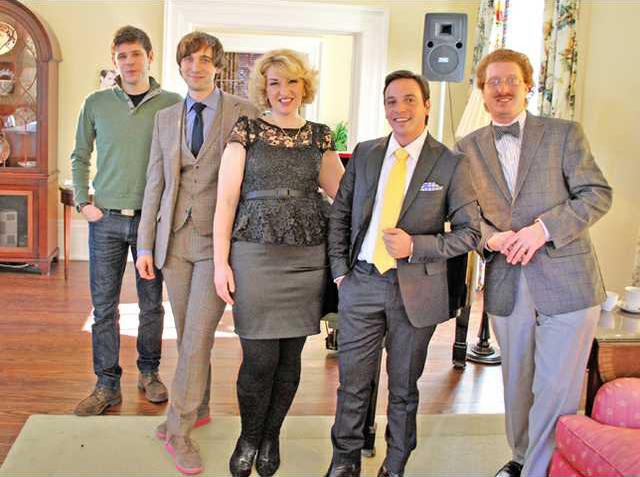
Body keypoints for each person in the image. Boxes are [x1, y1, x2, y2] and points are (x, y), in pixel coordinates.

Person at [456, 49, 612, 477]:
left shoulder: (564, 134)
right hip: (507, 282)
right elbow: (465, 216)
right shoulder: (465, 148)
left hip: (569, 280)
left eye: (511, 80)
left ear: (528, 85)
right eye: (493, 82)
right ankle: (523, 456)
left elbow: (596, 194)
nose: (503, 88)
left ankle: (537, 471)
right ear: (482, 91)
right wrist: (492, 237)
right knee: (517, 384)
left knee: (556, 387)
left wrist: (543, 229)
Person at [325, 70, 480, 477]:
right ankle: (344, 461)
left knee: (403, 388)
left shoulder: (450, 163)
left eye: (410, 99)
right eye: (391, 101)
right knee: (352, 384)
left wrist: (416, 246)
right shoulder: (365, 153)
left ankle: (395, 464)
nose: (400, 109)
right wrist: (341, 273)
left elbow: (471, 233)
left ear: (426, 105)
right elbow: (340, 215)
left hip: (415, 292)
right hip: (361, 282)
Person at [213, 49, 344, 477]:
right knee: (259, 359)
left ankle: (271, 436)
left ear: (304, 86)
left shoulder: (320, 137)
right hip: (254, 256)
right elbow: (226, 201)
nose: (284, 91)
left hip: (307, 258)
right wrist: (220, 263)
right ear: (263, 89)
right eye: (274, 83)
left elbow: (344, 198)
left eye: (292, 82)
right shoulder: (247, 130)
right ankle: (248, 437)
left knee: (290, 360)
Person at [135, 32, 257, 475]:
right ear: (179, 65)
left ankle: (179, 429)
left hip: (217, 244)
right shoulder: (166, 118)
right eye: (188, 59)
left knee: (199, 336)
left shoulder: (244, 112)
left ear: (217, 66)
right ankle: (199, 407)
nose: (196, 67)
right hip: (174, 243)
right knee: (188, 334)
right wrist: (145, 243)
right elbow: (155, 183)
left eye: (205, 60)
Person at [71, 25, 181, 417]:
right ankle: (106, 384)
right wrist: (83, 202)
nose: (129, 62)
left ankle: (149, 372)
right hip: (106, 221)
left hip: (152, 223)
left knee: (151, 307)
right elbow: (79, 155)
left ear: (150, 57)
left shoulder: (172, 104)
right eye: (122, 56)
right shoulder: (96, 103)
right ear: (114, 60)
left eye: (136, 54)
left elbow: (182, 161)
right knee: (104, 308)